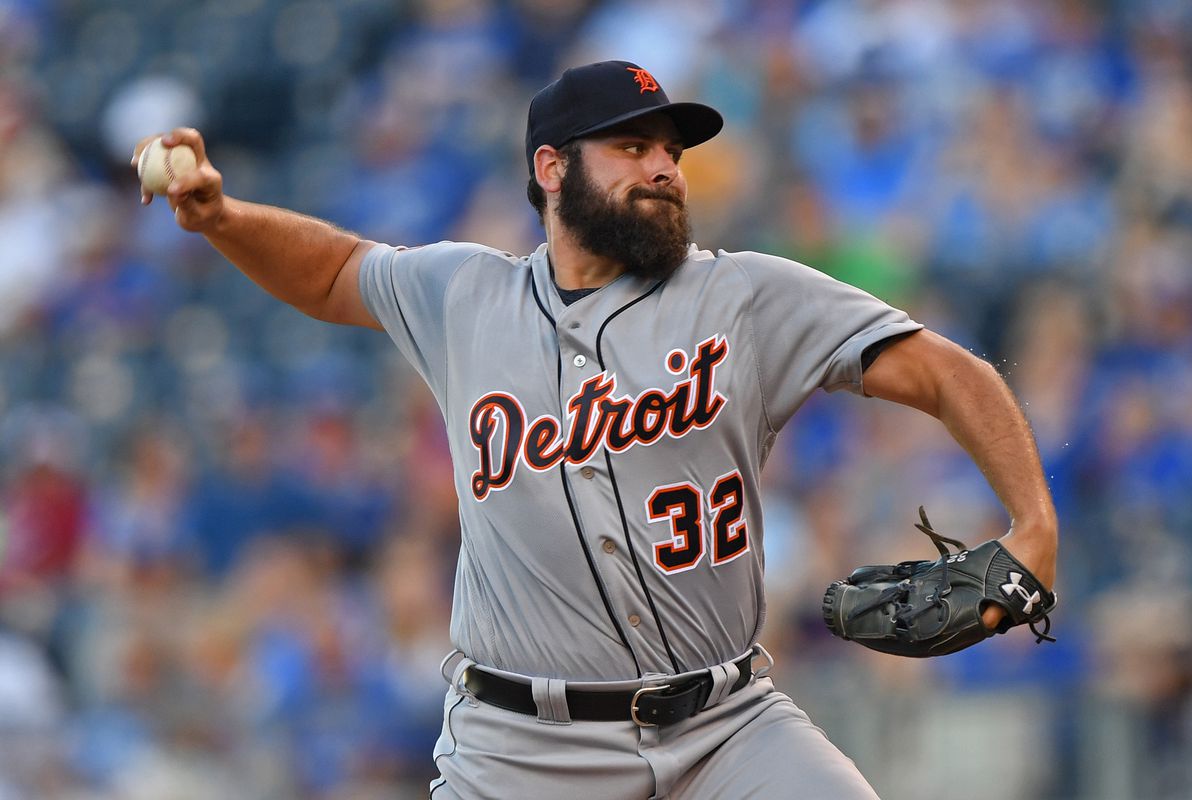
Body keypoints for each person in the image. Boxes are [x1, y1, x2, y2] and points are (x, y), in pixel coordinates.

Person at [134, 60, 1058, 799]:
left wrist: (1034, 528)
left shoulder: (742, 295)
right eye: (632, 145)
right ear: (552, 168)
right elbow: (335, 273)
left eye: (672, 150)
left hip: (727, 726)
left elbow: (949, 371)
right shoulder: (464, 293)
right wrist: (221, 217)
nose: (664, 165)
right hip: (524, 751)